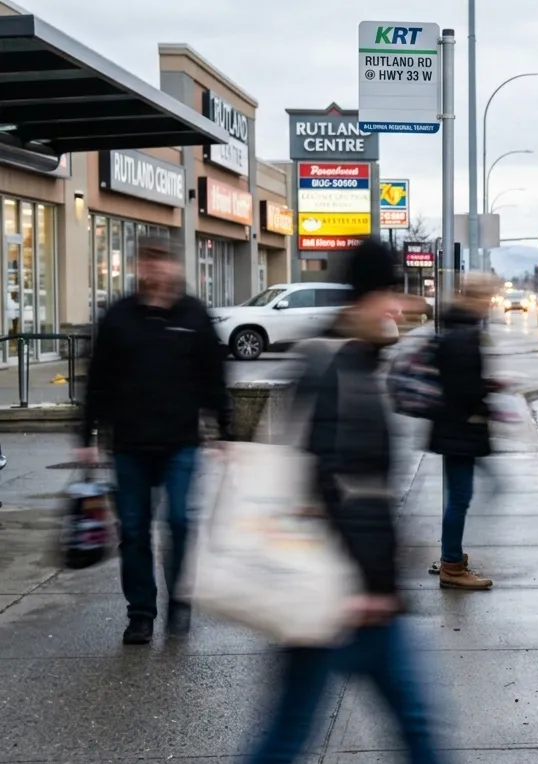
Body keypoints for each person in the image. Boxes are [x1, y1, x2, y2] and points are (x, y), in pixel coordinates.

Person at [247, 238, 447, 764]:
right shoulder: (340, 368)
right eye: (390, 293)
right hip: (341, 591)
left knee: (295, 730)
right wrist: (370, 585)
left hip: (340, 586)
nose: (399, 307)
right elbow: (340, 486)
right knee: (412, 727)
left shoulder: (350, 360)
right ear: (366, 296)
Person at [76, 237, 232, 646]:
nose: (156, 269)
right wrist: (86, 435)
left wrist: (226, 431)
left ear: (175, 268)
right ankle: (141, 613)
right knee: (133, 530)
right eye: (148, 261)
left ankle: (180, 599)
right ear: (138, 266)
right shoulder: (119, 316)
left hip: (181, 443)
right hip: (128, 445)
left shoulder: (194, 315)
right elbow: (97, 381)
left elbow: (214, 378)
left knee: (180, 521)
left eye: (163, 262)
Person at [426, 272, 502, 590]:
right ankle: (452, 566)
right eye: (488, 298)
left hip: (452, 428)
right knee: (460, 498)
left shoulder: (456, 328)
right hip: (460, 429)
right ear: (477, 298)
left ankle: (451, 555)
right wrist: (485, 400)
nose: (490, 304)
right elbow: (462, 389)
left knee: (459, 496)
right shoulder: (465, 336)